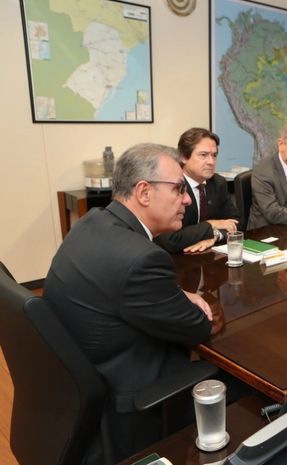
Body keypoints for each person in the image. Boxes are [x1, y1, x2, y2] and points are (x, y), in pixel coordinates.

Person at [43, 144, 214, 460]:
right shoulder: (142, 259)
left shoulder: (93, 221)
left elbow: (123, 287)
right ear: (144, 192)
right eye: (178, 189)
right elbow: (198, 328)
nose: (187, 199)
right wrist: (187, 298)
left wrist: (176, 292)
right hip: (129, 402)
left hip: (78, 384)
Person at [156, 127, 240, 253]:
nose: (211, 162)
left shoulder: (218, 182)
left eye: (214, 155)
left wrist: (215, 235)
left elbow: (237, 222)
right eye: (203, 155)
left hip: (207, 255)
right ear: (183, 157)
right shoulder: (171, 185)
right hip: (175, 258)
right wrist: (211, 224)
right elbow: (170, 239)